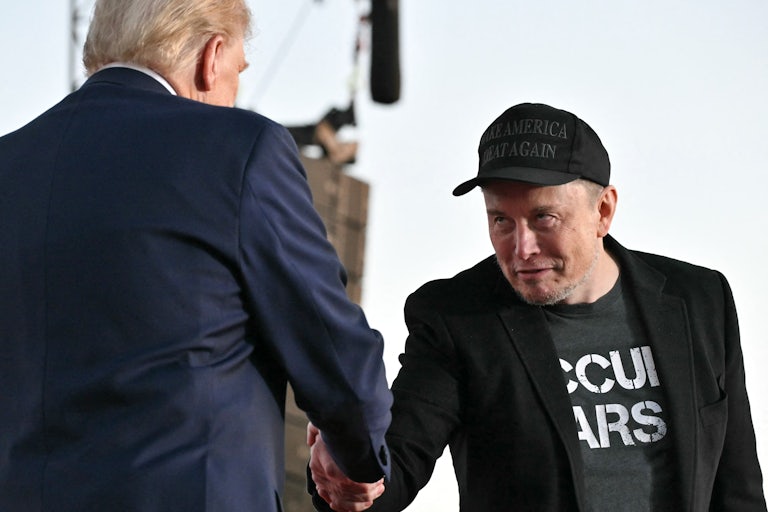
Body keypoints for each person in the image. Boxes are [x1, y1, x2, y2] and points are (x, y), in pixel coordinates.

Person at [0, 1, 392, 511]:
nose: (234, 96)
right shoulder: (240, 149)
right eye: (236, 75)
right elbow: (332, 346)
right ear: (212, 57)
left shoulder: (8, 167)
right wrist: (359, 455)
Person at [308, 102, 767, 511]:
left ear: (603, 211)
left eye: (543, 218)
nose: (521, 247)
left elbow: (738, 483)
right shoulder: (456, 317)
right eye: (501, 220)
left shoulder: (699, 299)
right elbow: (398, 460)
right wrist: (353, 474)